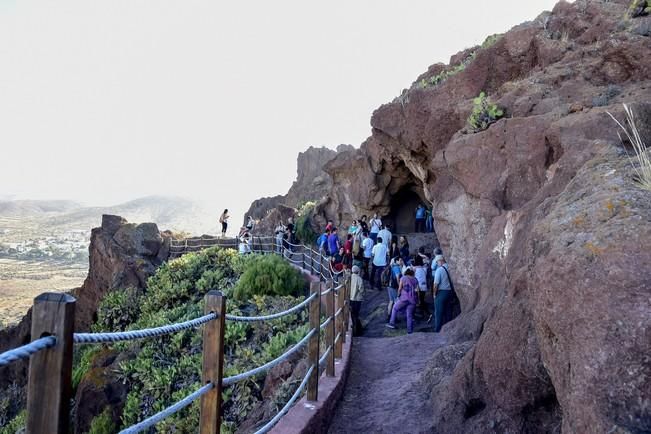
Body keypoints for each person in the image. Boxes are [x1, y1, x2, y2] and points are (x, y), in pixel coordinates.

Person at [386, 267, 419, 334]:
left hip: (404, 298)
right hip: (413, 299)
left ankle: (392, 323)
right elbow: (417, 290)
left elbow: (400, 288)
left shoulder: (403, 278)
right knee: (409, 315)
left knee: (395, 308)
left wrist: (398, 296)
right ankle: (410, 331)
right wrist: (418, 300)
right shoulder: (415, 279)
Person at [433, 254, 453, 332]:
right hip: (450, 292)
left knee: (439, 312)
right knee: (448, 311)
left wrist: (434, 294)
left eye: (437, 262)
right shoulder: (450, 267)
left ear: (440, 261)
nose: (437, 264)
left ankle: (438, 330)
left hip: (442, 292)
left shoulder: (440, 270)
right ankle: (448, 329)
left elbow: (436, 284)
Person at [414, 255, 432, 323]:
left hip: (418, 288)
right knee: (421, 300)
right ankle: (423, 315)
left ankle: (428, 314)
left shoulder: (415, 269)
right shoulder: (424, 268)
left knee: (420, 302)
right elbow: (427, 259)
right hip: (424, 287)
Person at [349, 265, 365, 336]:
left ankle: (355, 330)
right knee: (356, 315)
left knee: (352, 314)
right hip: (357, 299)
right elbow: (361, 290)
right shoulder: (359, 279)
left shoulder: (349, 277)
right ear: (358, 271)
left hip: (350, 298)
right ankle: (357, 331)